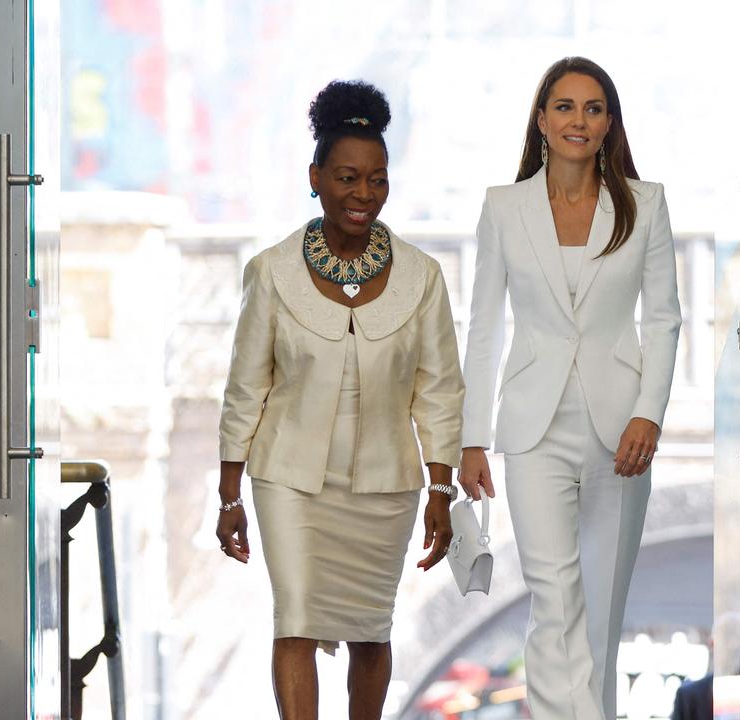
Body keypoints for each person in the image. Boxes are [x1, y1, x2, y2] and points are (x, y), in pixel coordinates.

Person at [215, 80, 465, 720]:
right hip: (288, 480)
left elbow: (437, 392)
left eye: (377, 179)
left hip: (386, 487)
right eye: (348, 177)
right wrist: (229, 495)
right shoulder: (271, 273)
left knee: (370, 629)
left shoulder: (422, 277)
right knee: (294, 620)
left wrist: (442, 492)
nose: (363, 194)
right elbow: (245, 389)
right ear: (316, 177)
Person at [459, 56, 682, 719]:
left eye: (592, 108)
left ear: (609, 123)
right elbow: (482, 327)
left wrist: (651, 414)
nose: (578, 120)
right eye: (564, 106)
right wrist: (472, 439)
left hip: (622, 431)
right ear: (541, 119)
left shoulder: (645, 205)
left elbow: (665, 320)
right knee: (553, 598)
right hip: (532, 424)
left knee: (601, 611)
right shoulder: (504, 207)